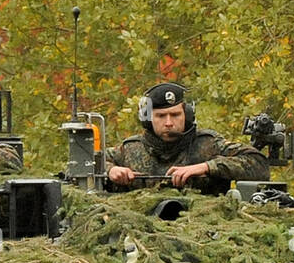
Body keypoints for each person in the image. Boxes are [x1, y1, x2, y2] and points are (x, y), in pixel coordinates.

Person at [104, 83, 270, 194]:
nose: (169, 123)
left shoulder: (208, 144)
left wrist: (207, 167)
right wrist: (111, 170)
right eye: (161, 116)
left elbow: (259, 164)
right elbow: (87, 162)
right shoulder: (130, 149)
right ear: (147, 119)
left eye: (175, 115)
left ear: (187, 115)